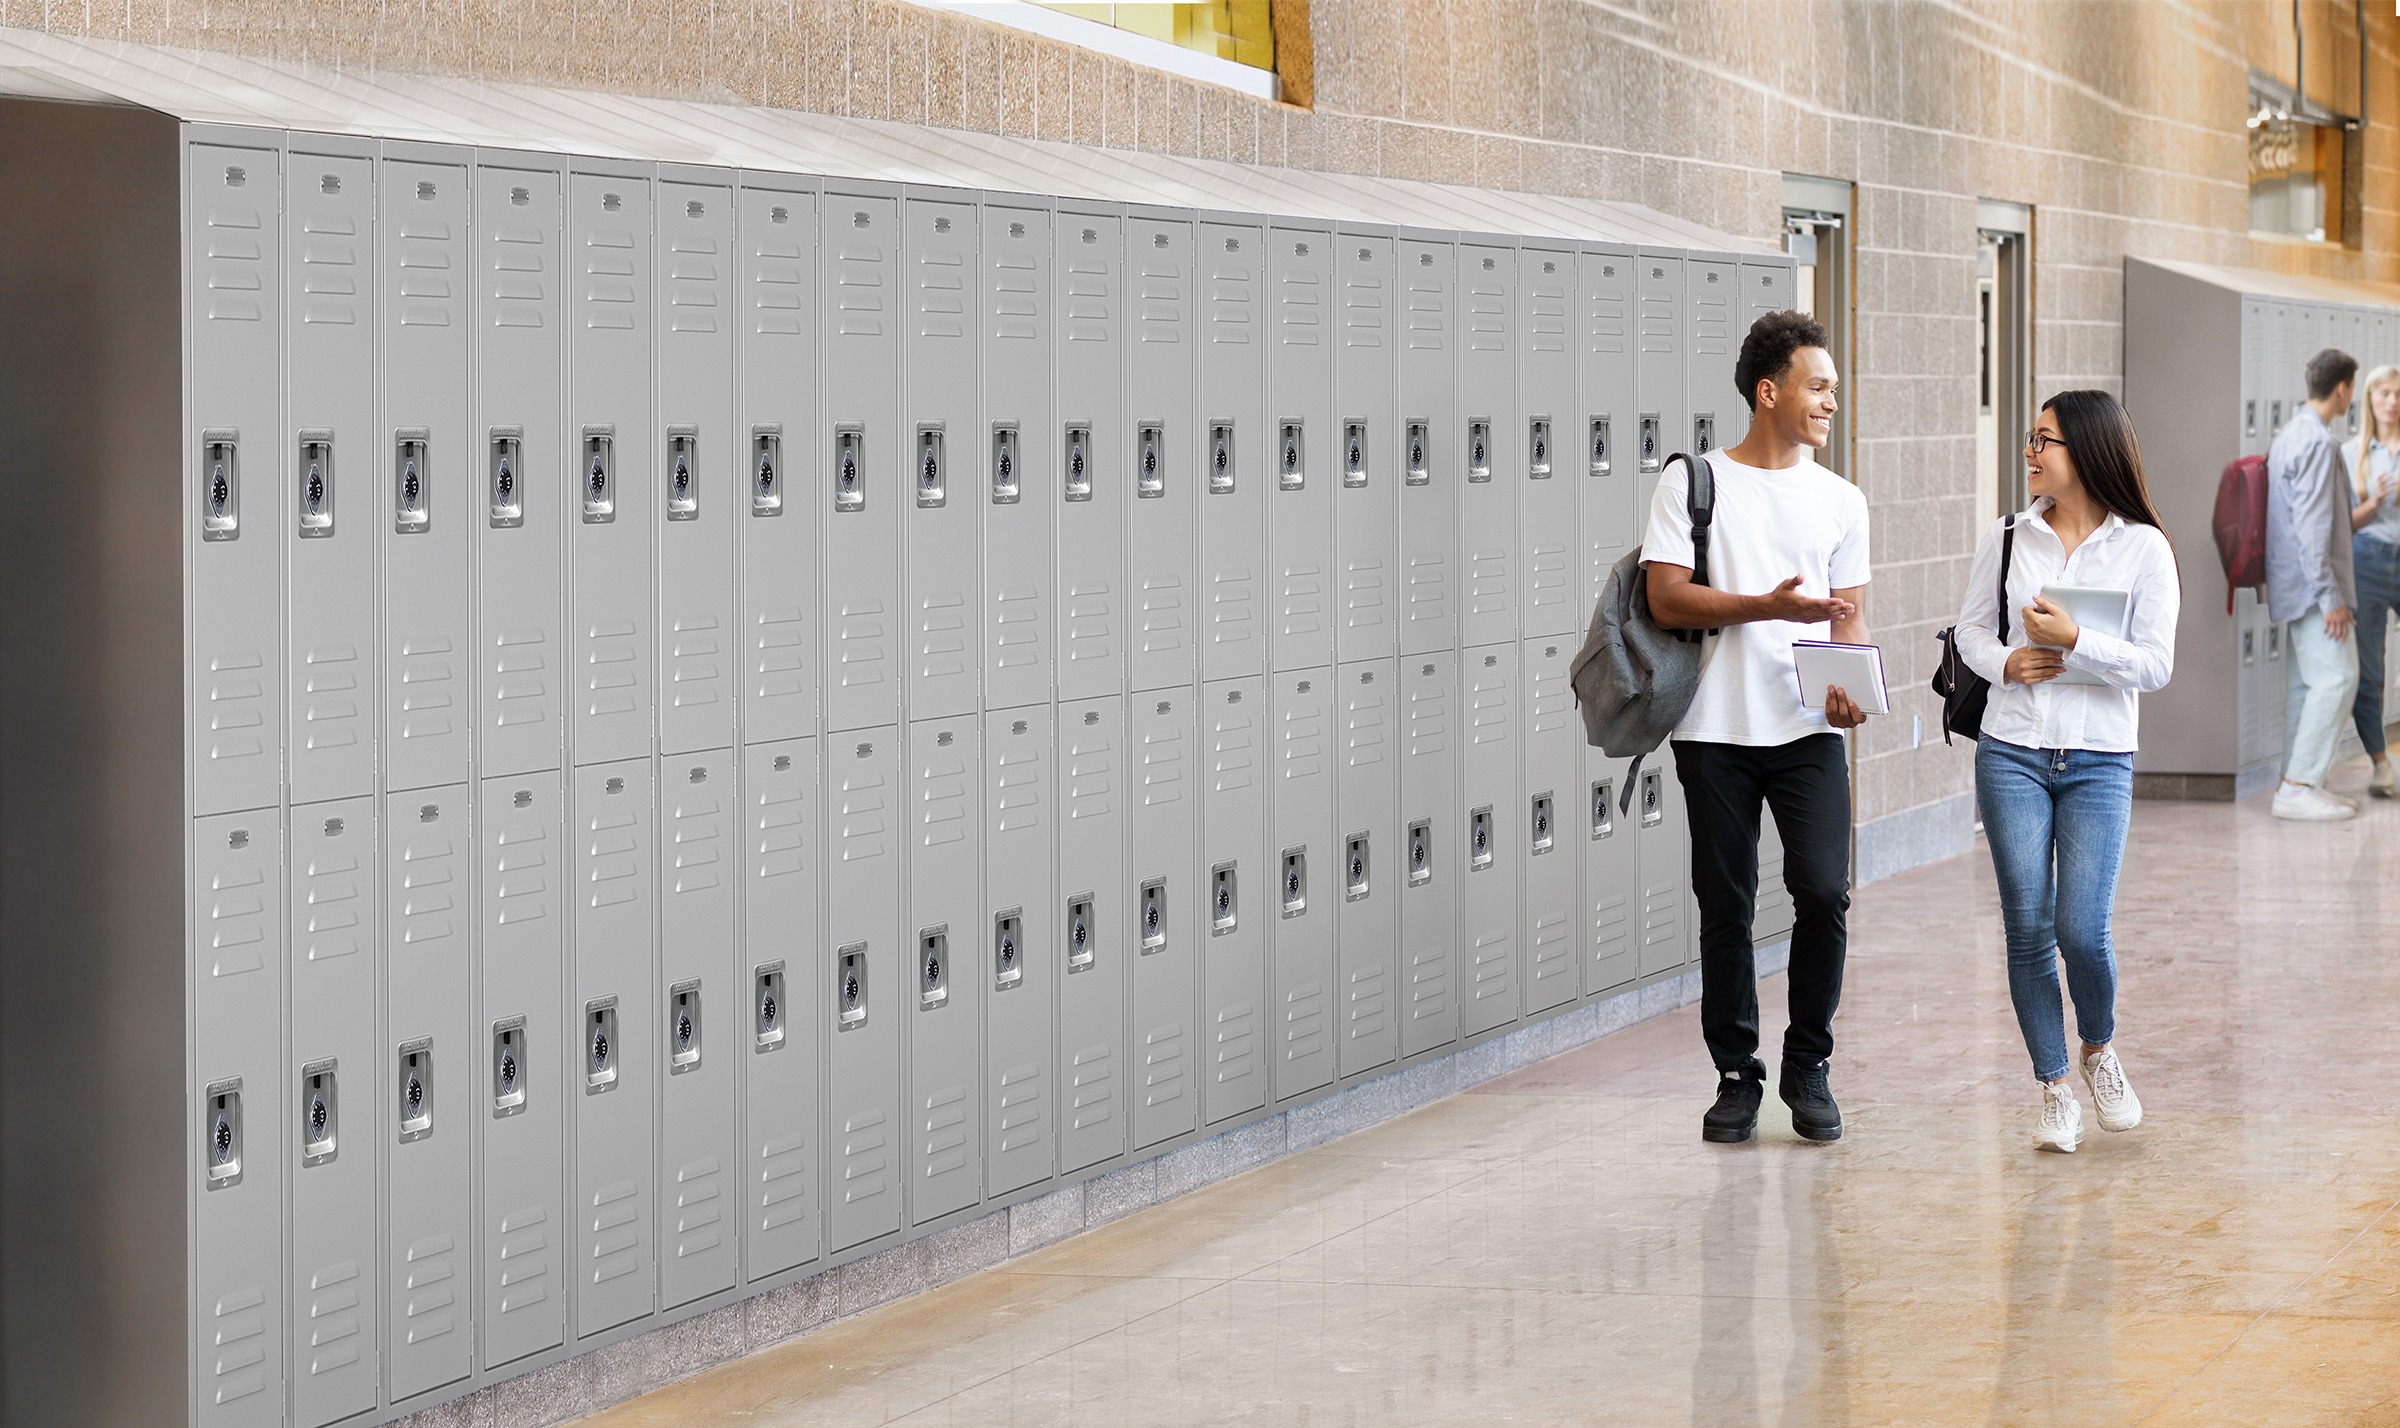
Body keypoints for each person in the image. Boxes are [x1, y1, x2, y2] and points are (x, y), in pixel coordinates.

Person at [1643, 310, 1870, 1146]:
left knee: (1823, 891)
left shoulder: (1842, 499)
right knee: (1725, 905)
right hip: (1713, 729)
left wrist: (1849, 689)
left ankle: (1808, 1063)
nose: (1831, 403)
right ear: (1768, 391)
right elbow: (1667, 596)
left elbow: (1848, 622)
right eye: (1818, 386)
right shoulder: (1692, 483)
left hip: (1808, 731)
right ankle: (1737, 1075)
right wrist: (1766, 606)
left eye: (1835, 390)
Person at [1956, 392, 2180, 1152]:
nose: (2030, 451)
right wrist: (2007, 662)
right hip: (2013, 749)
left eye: (2044, 440)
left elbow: (2155, 666)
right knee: (2027, 927)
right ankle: (2053, 1084)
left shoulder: (2145, 548)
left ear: (2085, 450)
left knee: (2082, 929)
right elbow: (1968, 633)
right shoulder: (2010, 537)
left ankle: (2098, 1050)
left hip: (2098, 759)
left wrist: (2077, 639)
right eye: (2030, 438)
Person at [2267, 348, 2361, 821]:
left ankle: (2295, 783)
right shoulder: (2321, 443)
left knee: (2308, 686)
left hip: (2292, 585)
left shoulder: (2288, 435)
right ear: (2343, 388)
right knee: (2339, 677)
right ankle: (2300, 785)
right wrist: (2332, 598)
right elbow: (2312, 528)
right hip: (2313, 590)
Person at [2346, 363, 2400, 798]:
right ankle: (2380, 763)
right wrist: (2377, 499)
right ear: (2370, 399)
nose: (2393, 402)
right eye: (2385, 393)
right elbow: (2344, 524)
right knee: (2370, 667)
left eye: (2399, 394)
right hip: (2367, 558)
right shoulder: (2352, 454)